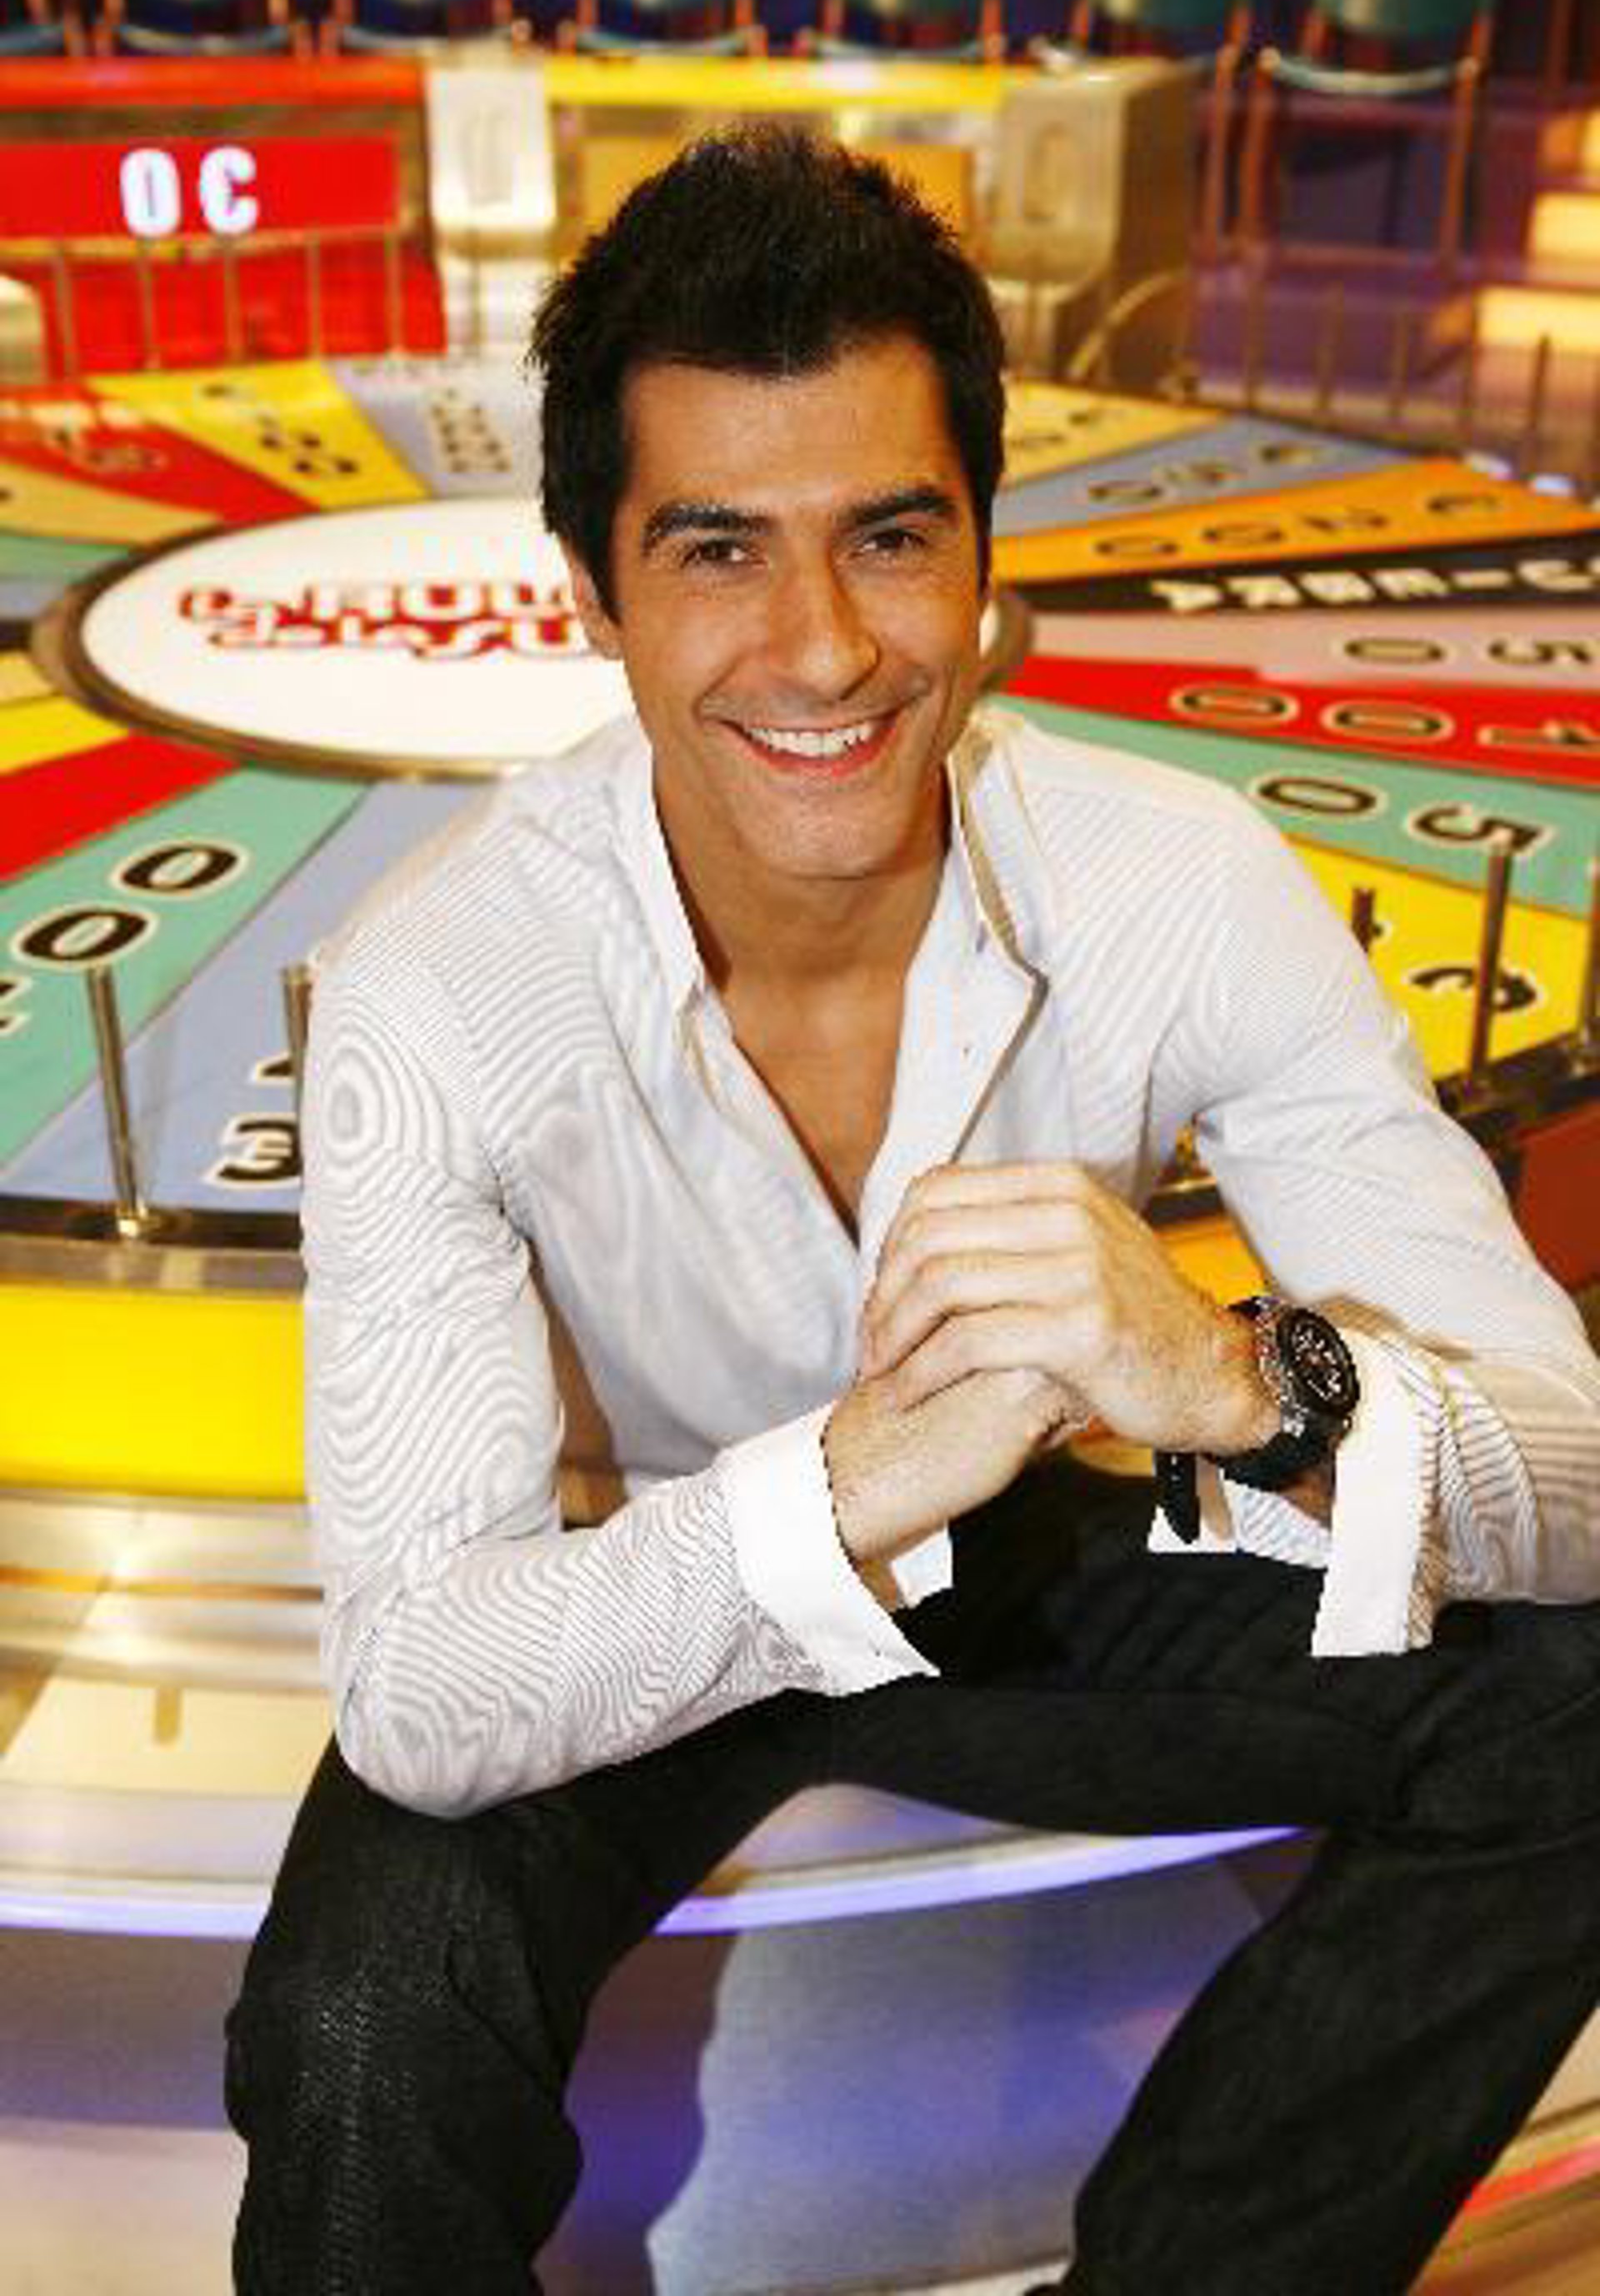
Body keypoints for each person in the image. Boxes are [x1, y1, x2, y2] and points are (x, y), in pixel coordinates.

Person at [226, 125, 1600, 2296]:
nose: (823, 650)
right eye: (717, 551)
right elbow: (418, 1683)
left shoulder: (1177, 886)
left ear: (980, 554)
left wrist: (1253, 1385)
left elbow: (1582, 1473)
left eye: (889, 536)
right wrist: (846, 1484)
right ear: (590, 595)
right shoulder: (435, 988)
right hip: (634, 1584)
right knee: (357, 2019)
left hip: (1029, 1560)